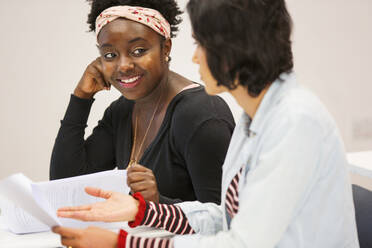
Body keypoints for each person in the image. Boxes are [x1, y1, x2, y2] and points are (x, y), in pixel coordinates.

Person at [52, 0, 360, 247]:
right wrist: (142, 210)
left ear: (236, 49)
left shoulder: (296, 123)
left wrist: (122, 242)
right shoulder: (252, 119)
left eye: (201, 44)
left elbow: (243, 242)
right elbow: (223, 218)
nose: (196, 58)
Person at [49, 0, 235, 205]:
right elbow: (64, 188)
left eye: (138, 51)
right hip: (139, 238)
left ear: (165, 48)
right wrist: (81, 98)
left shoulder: (202, 115)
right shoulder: (122, 111)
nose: (124, 66)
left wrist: (156, 203)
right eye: (110, 55)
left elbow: (225, 220)